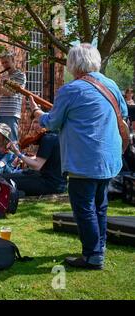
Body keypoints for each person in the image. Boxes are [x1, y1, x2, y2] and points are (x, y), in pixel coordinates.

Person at [30, 43, 128, 270]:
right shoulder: (111, 84)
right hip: (109, 158)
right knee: (100, 206)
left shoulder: (70, 90)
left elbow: (52, 122)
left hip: (84, 160)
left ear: (73, 64)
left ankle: (93, 256)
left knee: (83, 208)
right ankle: (99, 247)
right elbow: (121, 114)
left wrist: (37, 114)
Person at [1, 116, 67, 196]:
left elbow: (37, 166)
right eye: (35, 122)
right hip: (59, 183)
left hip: (49, 183)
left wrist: (18, 153)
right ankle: (18, 191)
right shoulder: (59, 135)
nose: (35, 126)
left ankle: (17, 192)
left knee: (2, 180)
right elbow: (48, 160)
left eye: (38, 122)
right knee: (7, 177)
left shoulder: (48, 139)